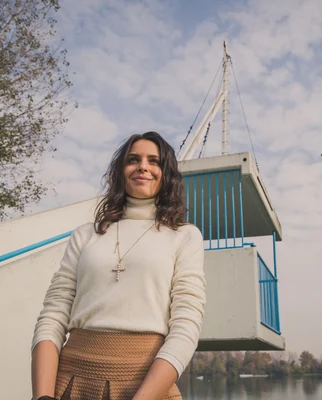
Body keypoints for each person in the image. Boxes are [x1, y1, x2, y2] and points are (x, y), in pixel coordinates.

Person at [31, 131, 206, 400]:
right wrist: (42, 396)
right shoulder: (85, 235)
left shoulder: (185, 236)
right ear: (121, 171)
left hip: (146, 387)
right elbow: (53, 315)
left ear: (166, 172)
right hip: (72, 381)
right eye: (133, 159)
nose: (143, 167)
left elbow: (186, 325)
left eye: (154, 161)